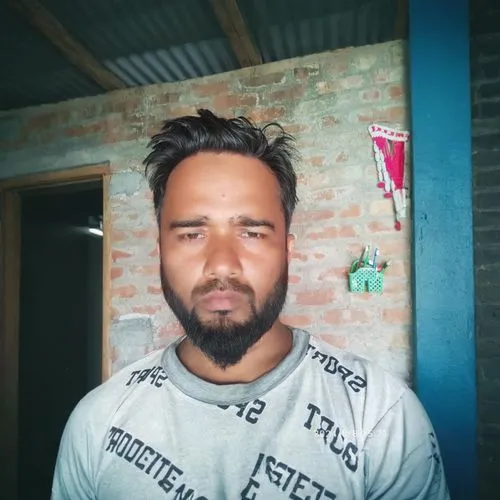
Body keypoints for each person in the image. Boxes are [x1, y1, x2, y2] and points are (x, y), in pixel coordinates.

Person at [51, 109, 450, 499]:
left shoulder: (380, 415)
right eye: (191, 234)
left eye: (253, 233)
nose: (222, 264)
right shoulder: (98, 423)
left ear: (287, 251)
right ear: (160, 251)